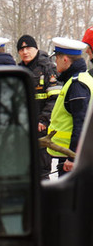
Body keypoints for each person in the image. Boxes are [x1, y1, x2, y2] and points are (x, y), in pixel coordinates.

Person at [47, 37, 93, 176]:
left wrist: (72, 157)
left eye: (57, 58)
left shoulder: (77, 84)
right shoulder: (82, 79)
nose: (55, 62)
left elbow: (81, 123)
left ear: (65, 59)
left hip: (72, 160)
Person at [16, 34, 60, 179]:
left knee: (42, 171)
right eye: (21, 49)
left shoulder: (47, 68)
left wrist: (43, 120)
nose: (25, 52)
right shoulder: (18, 70)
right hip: (23, 130)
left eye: (28, 48)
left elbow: (55, 99)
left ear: (36, 49)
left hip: (41, 129)